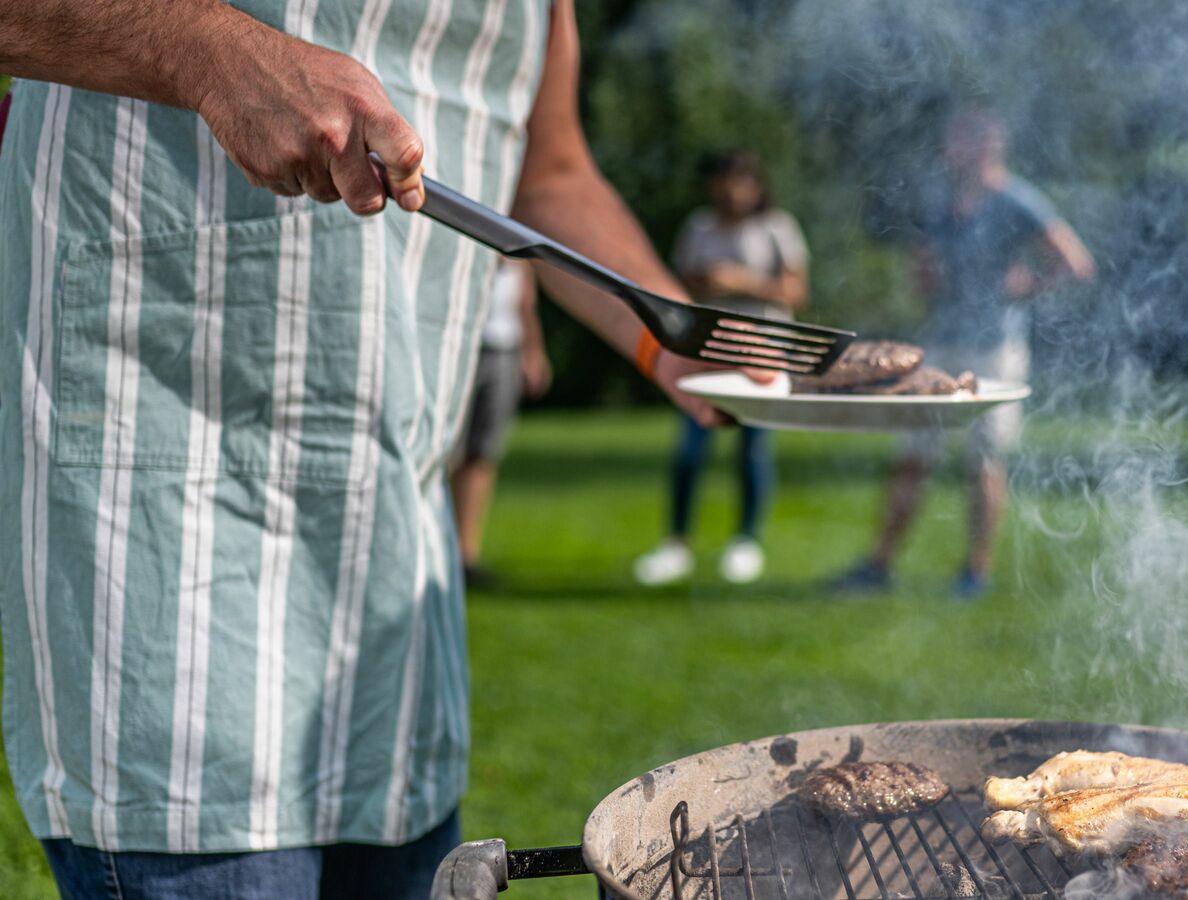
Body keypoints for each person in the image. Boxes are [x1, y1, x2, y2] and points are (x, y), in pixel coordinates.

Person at [0, 1, 745, 896]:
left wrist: (677, 340)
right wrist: (209, 52)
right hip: (162, 539)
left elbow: (546, 172)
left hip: (393, 586)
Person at [833, 109, 1096, 600]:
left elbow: (1077, 264)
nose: (949, 146)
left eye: (960, 138)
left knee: (983, 461)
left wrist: (1029, 286)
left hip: (993, 349)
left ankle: (975, 572)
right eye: (950, 136)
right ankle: (879, 565)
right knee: (912, 456)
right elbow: (922, 266)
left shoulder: (1019, 201)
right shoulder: (940, 201)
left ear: (989, 143)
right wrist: (925, 277)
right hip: (940, 344)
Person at [634, 151, 810, 586]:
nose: (731, 191)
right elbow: (678, 283)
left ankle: (746, 541)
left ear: (756, 184)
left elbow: (795, 290)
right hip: (709, 354)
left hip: (763, 355)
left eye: (740, 181)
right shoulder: (700, 227)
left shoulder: (776, 227)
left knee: (753, 449)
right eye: (723, 181)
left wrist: (739, 281)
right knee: (690, 450)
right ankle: (677, 543)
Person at [451, 260, 551, 590]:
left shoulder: (517, 249)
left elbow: (525, 303)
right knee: (448, 454)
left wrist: (533, 351)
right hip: (461, 347)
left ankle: (466, 555)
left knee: (483, 453)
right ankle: (440, 551)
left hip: (504, 350)